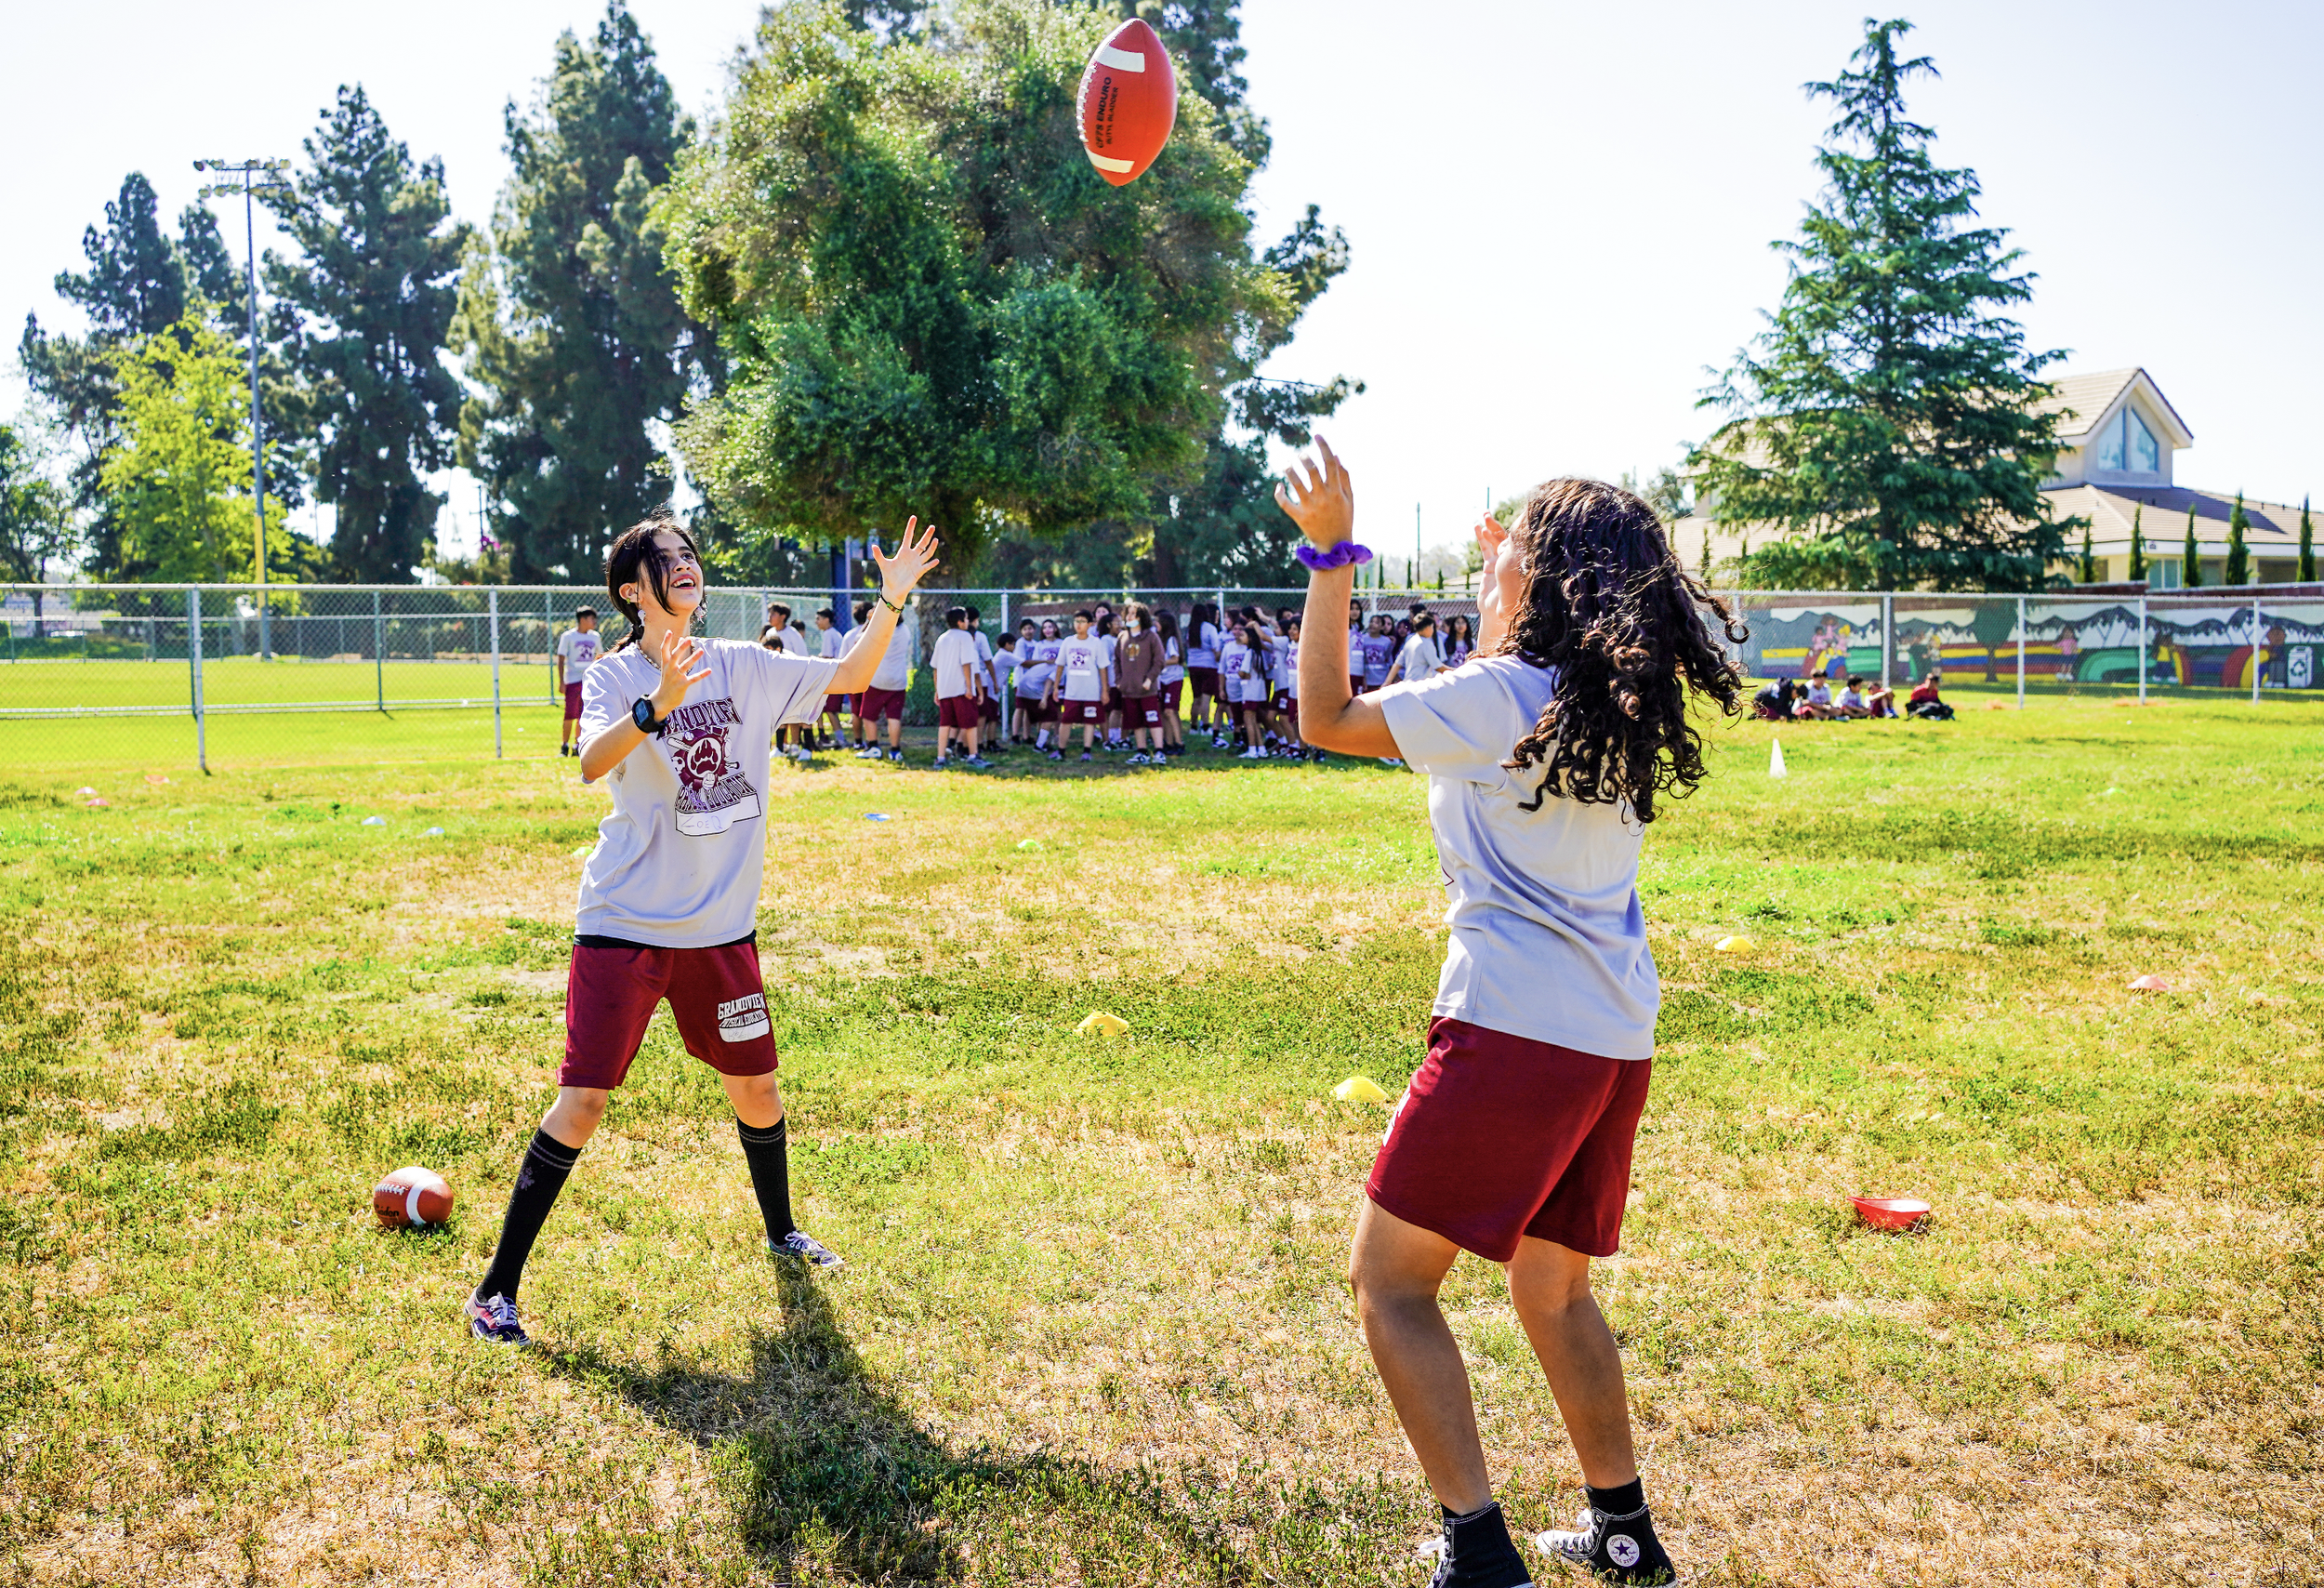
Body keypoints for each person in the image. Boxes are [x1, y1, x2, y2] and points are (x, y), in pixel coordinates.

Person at [1280, 441, 1741, 1588]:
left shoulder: (1499, 696)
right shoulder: (1607, 705)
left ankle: (1477, 1551)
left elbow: (1326, 716)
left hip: (1509, 1033)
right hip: (1610, 1039)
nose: (1488, 566)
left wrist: (1332, 556)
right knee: (1551, 1287)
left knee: (1391, 1283)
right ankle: (1624, 1531)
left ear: (1543, 582)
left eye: (1506, 552)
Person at [465, 510, 941, 1348]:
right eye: (665, 560)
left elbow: (852, 673)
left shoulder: (747, 665)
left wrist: (890, 602)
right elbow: (590, 759)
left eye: (689, 555)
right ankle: (496, 1291)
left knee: (757, 1088)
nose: (685, 566)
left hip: (721, 931)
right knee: (582, 1104)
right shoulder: (617, 676)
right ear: (632, 591)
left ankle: (782, 1230)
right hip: (626, 925)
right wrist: (659, 704)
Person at [848, 599, 913, 761]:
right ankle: (895, 751)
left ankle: (873, 746)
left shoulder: (879, 630)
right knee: (894, 717)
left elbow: (857, 640)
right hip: (898, 680)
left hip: (877, 679)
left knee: (869, 715)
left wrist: (869, 621)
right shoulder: (905, 630)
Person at [930, 605, 988, 769]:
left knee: (945, 724)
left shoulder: (942, 638)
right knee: (969, 723)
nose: (968, 622)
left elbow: (936, 667)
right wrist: (970, 688)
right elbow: (967, 663)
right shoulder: (965, 637)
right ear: (960, 621)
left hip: (945, 689)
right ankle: (973, 755)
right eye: (966, 619)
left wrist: (937, 690)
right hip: (961, 689)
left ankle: (940, 758)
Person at [1047, 611, 1109, 761]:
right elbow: (1060, 666)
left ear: (1090, 624)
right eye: (1076, 621)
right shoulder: (1068, 642)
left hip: (1091, 691)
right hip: (1072, 692)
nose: (1079, 624)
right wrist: (1055, 687)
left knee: (1090, 721)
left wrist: (1105, 691)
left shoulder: (1096, 643)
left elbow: (1102, 668)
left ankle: (1087, 751)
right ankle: (1061, 751)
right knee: (1066, 720)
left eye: (1082, 621)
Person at [1115, 602, 1167, 764]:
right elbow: (1116, 660)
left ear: (1141, 617)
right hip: (1128, 690)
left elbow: (1159, 661)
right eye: (1128, 613)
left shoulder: (1151, 637)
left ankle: (1159, 752)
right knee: (1135, 721)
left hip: (1147, 690)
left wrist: (1149, 679)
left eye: (1134, 614)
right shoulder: (1122, 637)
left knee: (1153, 719)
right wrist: (1119, 681)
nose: (1130, 616)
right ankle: (1141, 751)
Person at [555, 606, 601, 757]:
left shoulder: (595, 637)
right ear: (582, 620)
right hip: (573, 680)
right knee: (570, 714)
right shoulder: (568, 637)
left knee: (583, 714)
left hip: (589, 681)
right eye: (591, 618)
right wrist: (562, 681)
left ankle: (577, 745)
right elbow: (561, 658)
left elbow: (599, 655)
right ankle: (564, 745)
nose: (594, 622)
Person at [1186, 602, 1223, 736]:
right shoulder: (1210, 628)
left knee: (1196, 698)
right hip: (1209, 666)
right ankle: (1206, 727)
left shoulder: (1190, 629)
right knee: (1205, 698)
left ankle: (1193, 726)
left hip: (1192, 666)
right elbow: (1216, 650)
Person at [812, 608, 848, 749]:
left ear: (827, 619)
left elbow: (827, 657)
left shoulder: (829, 634)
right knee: (826, 709)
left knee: (830, 710)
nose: (816, 622)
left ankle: (841, 741)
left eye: (819, 619)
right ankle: (829, 737)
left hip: (833, 677)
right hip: (836, 675)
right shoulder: (833, 633)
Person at [1155, 609, 1188, 758]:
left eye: (1157, 621)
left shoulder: (1171, 640)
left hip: (1173, 678)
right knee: (1164, 712)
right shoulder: (1159, 639)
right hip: (1162, 678)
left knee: (1170, 711)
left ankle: (1179, 742)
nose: (1155, 624)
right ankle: (1168, 742)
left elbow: (1175, 658)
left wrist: (1159, 662)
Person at [1386, 613, 1446, 687]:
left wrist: (1386, 683)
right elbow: (1438, 667)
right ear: (1427, 628)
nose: (1432, 631)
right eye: (1432, 627)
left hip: (1408, 684)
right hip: (1421, 686)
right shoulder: (1426, 643)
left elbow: (1397, 664)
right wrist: (1456, 672)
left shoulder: (1410, 641)